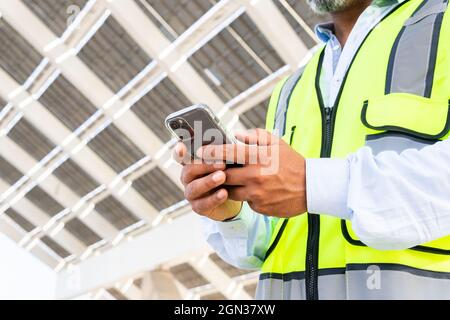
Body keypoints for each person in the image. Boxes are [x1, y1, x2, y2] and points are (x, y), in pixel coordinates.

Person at [174, 0, 450, 299]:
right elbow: (266, 244)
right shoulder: (291, 88)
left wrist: (312, 183)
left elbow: (308, 186)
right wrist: (232, 211)